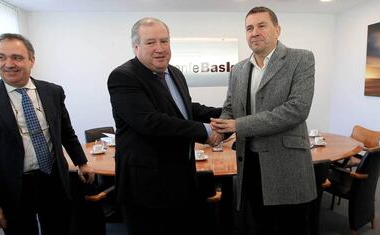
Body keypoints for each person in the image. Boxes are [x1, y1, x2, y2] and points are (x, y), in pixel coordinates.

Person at [0, 33, 95, 235]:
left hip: (53, 179)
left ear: (31, 60)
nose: (8, 64)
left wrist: (82, 162)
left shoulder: (53, 91)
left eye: (16, 57)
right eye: (1, 57)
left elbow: (66, 131)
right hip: (12, 187)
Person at [107, 17, 222, 235]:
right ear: (136, 46)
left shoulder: (174, 72)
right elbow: (151, 122)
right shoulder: (123, 76)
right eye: (151, 42)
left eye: (164, 41)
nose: (160, 49)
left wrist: (226, 114)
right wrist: (206, 132)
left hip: (181, 179)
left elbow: (187, 109)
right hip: (146, 187)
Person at [210, 6, 317, 235]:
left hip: (287, 163)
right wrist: (218, 131)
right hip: (250, 162)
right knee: (259, 224)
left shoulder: (301, 59)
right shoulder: (238, 69)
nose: (254, 32)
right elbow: (230, 107)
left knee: (293, 226)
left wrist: (239, 125)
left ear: (277, 30)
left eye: (261, 26)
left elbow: (296, 109)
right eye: (249, 28)